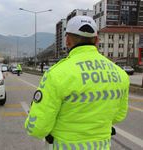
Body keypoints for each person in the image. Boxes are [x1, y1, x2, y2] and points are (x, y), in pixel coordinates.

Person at [24, 16, 129, 150]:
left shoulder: (57, 74)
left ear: (67, 41)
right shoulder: (120, 74)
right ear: (97, 40)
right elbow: (119, 116)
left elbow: (37, 128)